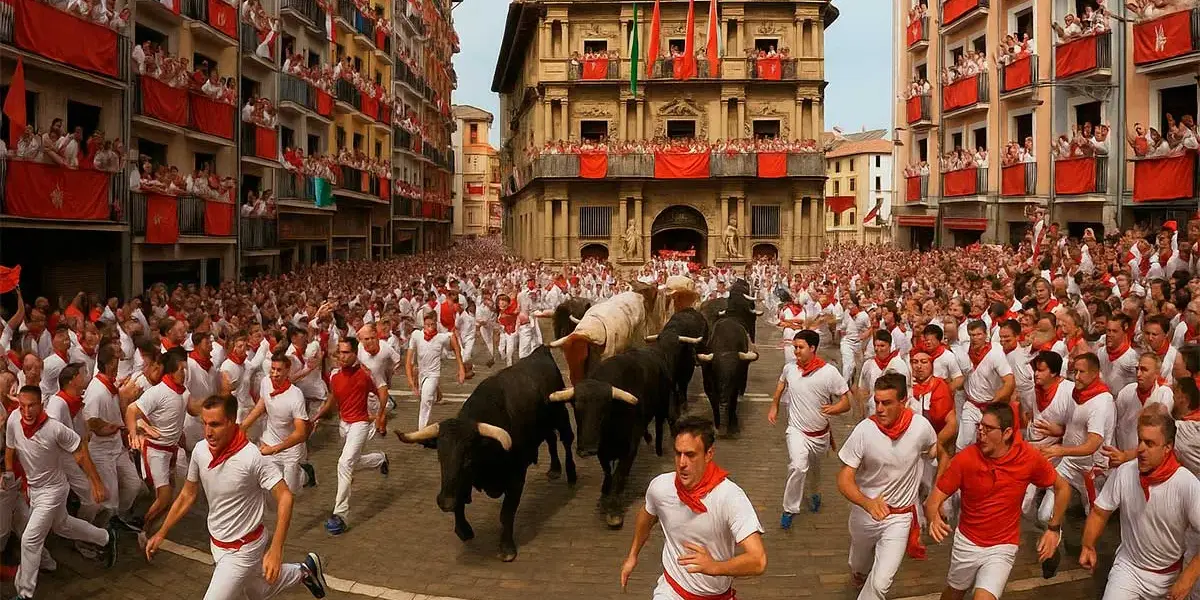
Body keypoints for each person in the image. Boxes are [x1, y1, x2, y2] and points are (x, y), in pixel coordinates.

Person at [144, 394, 330, 600]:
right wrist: (162, 532)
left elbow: (285, 496)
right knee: (259, 591)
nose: (208, 432)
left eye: (215, 425)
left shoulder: (252, 457)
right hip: (217, 544)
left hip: (244, 549)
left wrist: (276, 548)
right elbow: (187, 495)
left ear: (232, 422)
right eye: (205, 424)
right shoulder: (200, 451)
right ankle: (304, 571)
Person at [926, 402, 1071, 598]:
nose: (981, 434)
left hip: (1003, 546)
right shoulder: (965, 459)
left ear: (1007, 433)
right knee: (954, 593)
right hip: (967, 542)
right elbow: (934, 499)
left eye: (988, 429)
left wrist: (1053, 529)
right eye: (980, 427)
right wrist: (933, 517)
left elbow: (1063, 488)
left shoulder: (1028, 457)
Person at [619, 415, 766, 598]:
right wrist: (633, 555)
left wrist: (715, 567)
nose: (682, 463)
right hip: (671, 591)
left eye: (690, 455)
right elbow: (647, 516)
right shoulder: (660, 487)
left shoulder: (730, 497)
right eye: (678, 453)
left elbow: (758, 560)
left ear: (709, 454)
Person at [838, 372, 943, 600]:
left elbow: (937, 451)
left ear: (903, 401)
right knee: (859, 566)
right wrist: (867, 503)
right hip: (865, 515)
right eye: (876, 402)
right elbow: (844, 479)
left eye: (886, 403)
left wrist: (936, 496)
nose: (879, 409)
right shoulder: (864, 431)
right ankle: (858, 574)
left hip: (899, 518)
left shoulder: (920, 427)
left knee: (880, 583)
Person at [6, 385, 117, 599]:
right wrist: (10, 473)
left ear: (41, 405)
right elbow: (11, 447)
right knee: (63, 526)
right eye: (23, 406)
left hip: (54, 491)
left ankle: (25, 593)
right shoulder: (13, 419)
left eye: (32, 406)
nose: (27, 411)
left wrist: (96, 484)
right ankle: (105, 537)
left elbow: (81, 452)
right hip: (35, 490)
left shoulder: (55, 429)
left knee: (30, 539)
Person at [1080, 405, 1200, 600]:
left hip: (1169, 576)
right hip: (1128, 569)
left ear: (1168, 447)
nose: (1141, 449)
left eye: (1150, 443)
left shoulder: (1186, 484)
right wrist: (1088, 545)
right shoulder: (1124, 472)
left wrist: (1188, 578)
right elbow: (1100, 512)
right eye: (1140, 441)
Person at [768, 329, 850, 527]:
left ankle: (814, 492)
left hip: (820, 435)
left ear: (812, 348)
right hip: (796, 430)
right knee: (798, 466)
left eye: (800, 347)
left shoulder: (829, 372)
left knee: (814, 471)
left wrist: (835, 408)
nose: (796, 351)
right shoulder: (790, 368)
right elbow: (781, 385)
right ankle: (789, 509)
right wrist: (774, 405)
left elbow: (846, 401)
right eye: (795, 347)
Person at [309, 338, 389, 535]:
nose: (342, 357)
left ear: (354, 354)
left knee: (344, 464)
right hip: (343, 425)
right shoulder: (334, 376)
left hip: (361, 424)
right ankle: (380, 459)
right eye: (340, 353)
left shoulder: (366, 374)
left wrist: (380, 416)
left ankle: (340, 515)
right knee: (352, 462)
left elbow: (382, 392)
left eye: (346, 353)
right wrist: (317, 416)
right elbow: (332, 398)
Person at [125, 348, 193, 547]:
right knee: (164, 497)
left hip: (171, 450)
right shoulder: (158, 392)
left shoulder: (184, 392)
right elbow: (131, 410)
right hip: (155, 451)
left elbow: (193, 409)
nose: (184, 373)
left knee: (169, 496)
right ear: (171, 371)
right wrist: (134, 434)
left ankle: (146, 527)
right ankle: (141, 526)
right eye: (181, 370)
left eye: (185, 369)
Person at [83, 345, 145, 530]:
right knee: (109, 501)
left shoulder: (109, 385)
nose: (119, 363)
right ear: (110, 363)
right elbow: (91, 423)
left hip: (116, 446)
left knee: (133, 485)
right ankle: (97, 533)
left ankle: (118, 520)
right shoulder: (97, 391)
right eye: (117, 359)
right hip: (101, 451)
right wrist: (114, 427)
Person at [242, 354, 310, 493]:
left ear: (287, 370)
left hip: (290, 451)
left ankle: (303, 474)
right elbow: (262, 404)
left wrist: (275, 449)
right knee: (269, 490)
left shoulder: (295, 396)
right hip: (269, 442)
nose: (274, 373)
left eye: (279, 370)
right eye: (272, 369)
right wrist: (243, 426)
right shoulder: (266, 382)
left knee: (289, 493)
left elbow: (301, 433)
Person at [405, 311, 466, 429]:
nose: (430, 328)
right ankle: (437, 395)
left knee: (426, 400)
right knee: (424, 397)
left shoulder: (441, 338)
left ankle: (421, 430)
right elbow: (408, 360)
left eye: (432, 324)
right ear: (423, 324)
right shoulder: (416, 335)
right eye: (427, 325)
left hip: (434, 373)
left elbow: (453, 340)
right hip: (422, 373)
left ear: (436, 324)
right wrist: (411, 382)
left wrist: (461, 368)